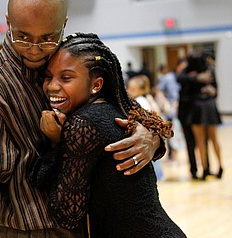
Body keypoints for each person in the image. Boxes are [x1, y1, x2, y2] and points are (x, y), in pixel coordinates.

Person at [0, 0, 167, 237]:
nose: (35, 49)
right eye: (23, 36)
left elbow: (125, 107)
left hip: (88, 227)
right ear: (8, 22)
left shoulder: (73, 57)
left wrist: (150, 135)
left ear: (63, 25)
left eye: (47, 38)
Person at [31, 33, 185, 237]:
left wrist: (57, 144)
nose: (52, 86)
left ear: (96, 85)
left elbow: (66, 214)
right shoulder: (122, 107)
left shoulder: (82, 122)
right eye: (48, 76)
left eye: (66, 77)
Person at [185, 53, 223, 180]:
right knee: (213, 138)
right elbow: (216, 90)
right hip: (209, 105)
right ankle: (219, 166)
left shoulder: (190, 72)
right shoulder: (209, 70)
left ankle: (205, 169)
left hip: (197, 106)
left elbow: (186, 90)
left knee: (201, 141)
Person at [127, 75, 164, 181]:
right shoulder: (145, 99)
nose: (129, 91)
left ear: (141, 90)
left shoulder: (140, 101)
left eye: (132, 89)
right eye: (128, 88)